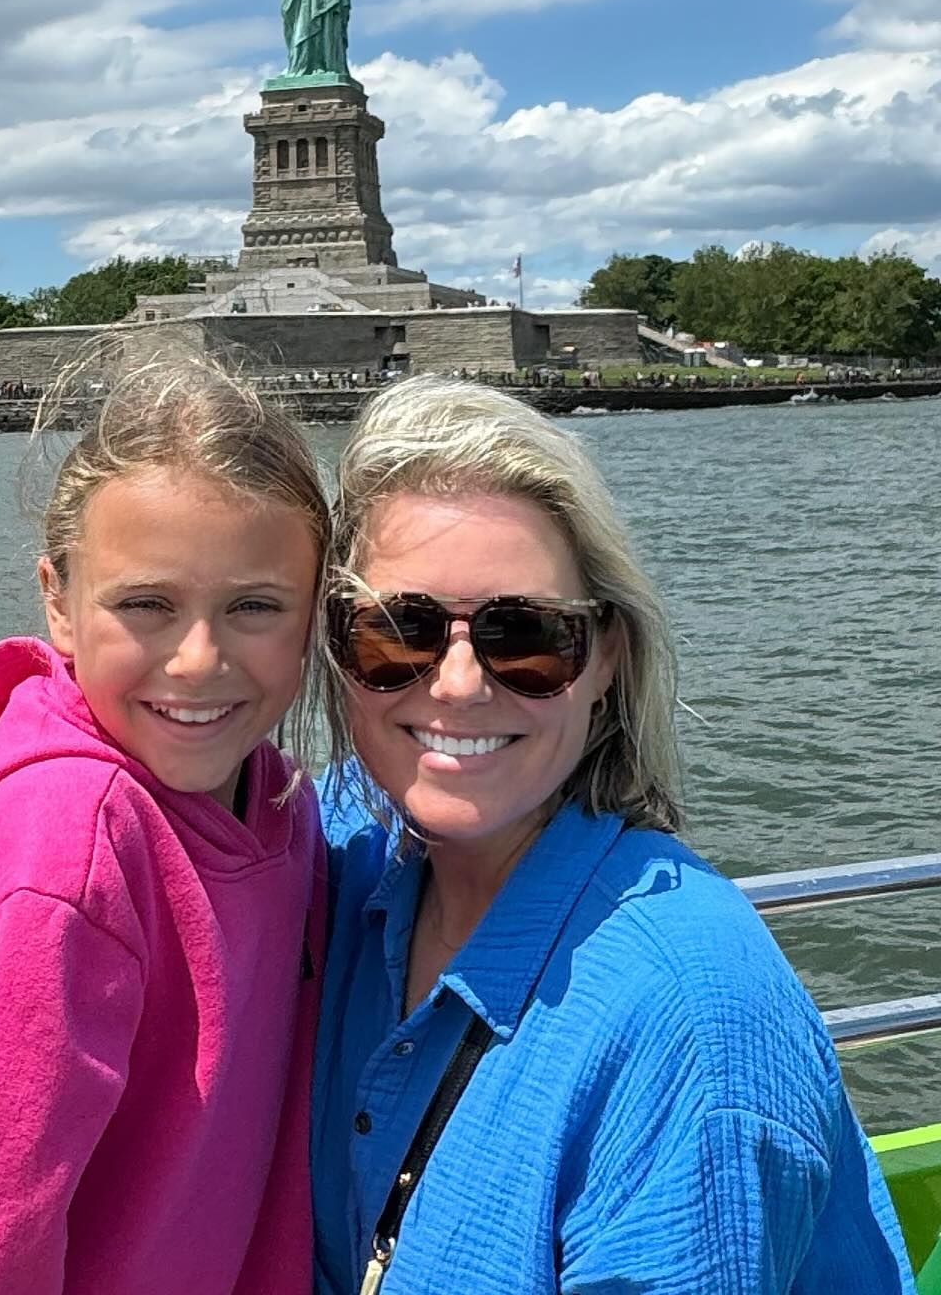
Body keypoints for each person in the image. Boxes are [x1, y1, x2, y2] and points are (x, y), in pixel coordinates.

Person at [312, 377, 915, 1294]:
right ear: (335, 651)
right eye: (397, 632)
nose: (460, 685)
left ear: (605, 660)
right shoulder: (336, 854)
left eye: (526, 638)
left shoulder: (690, 1022)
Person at [0, 355, 331, 1295]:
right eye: (146, 606)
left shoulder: (275, 796)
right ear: (59, 601)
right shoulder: (63, 852)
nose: (198, 659)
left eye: (254, 606)